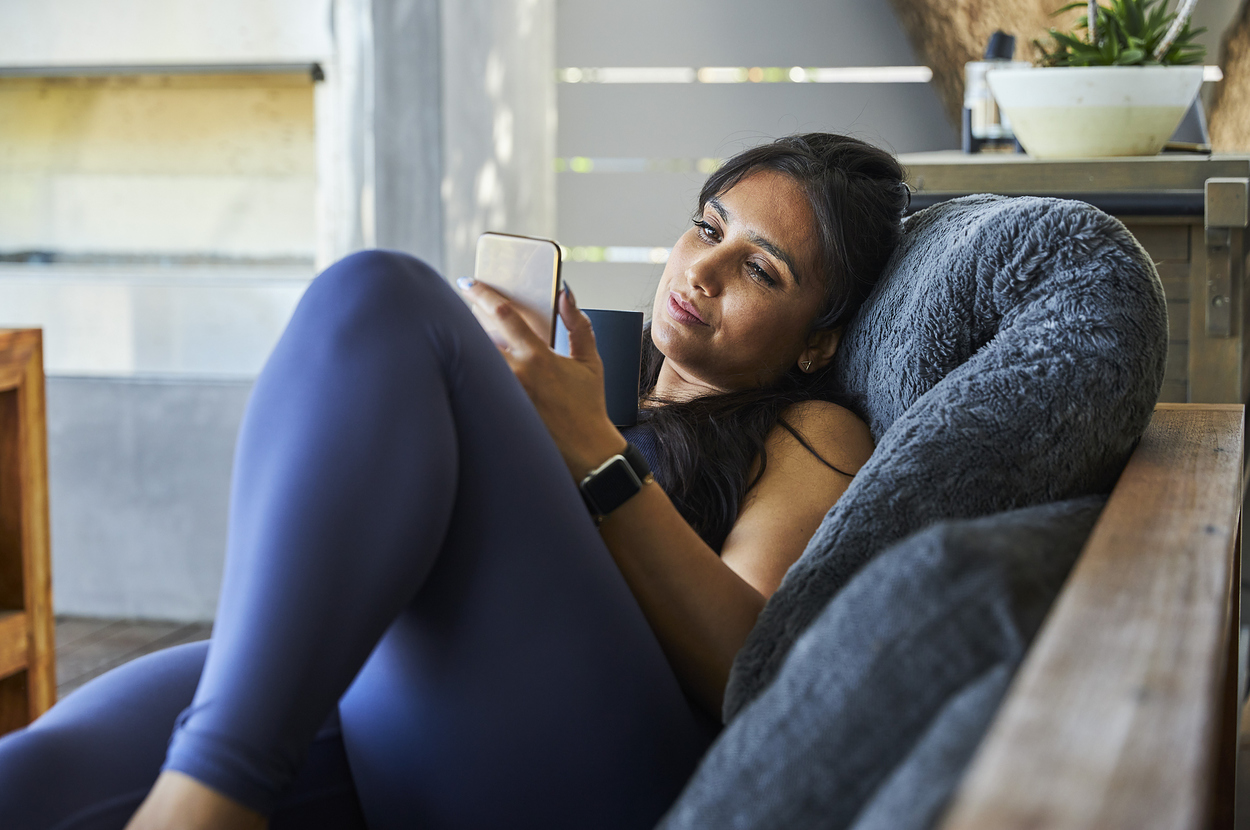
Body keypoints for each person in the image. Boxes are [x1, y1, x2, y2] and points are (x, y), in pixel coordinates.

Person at [0, 133, 906, 829]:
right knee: (36, 779)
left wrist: (592, 446)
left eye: (757, 268)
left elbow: (750, 672)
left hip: (610, 763)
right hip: (419, 690)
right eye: (708, 228)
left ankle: (212, 797)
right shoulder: (596, 375)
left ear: (818, 339)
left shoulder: (811, 429)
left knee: (388, 298)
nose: (701, 270)